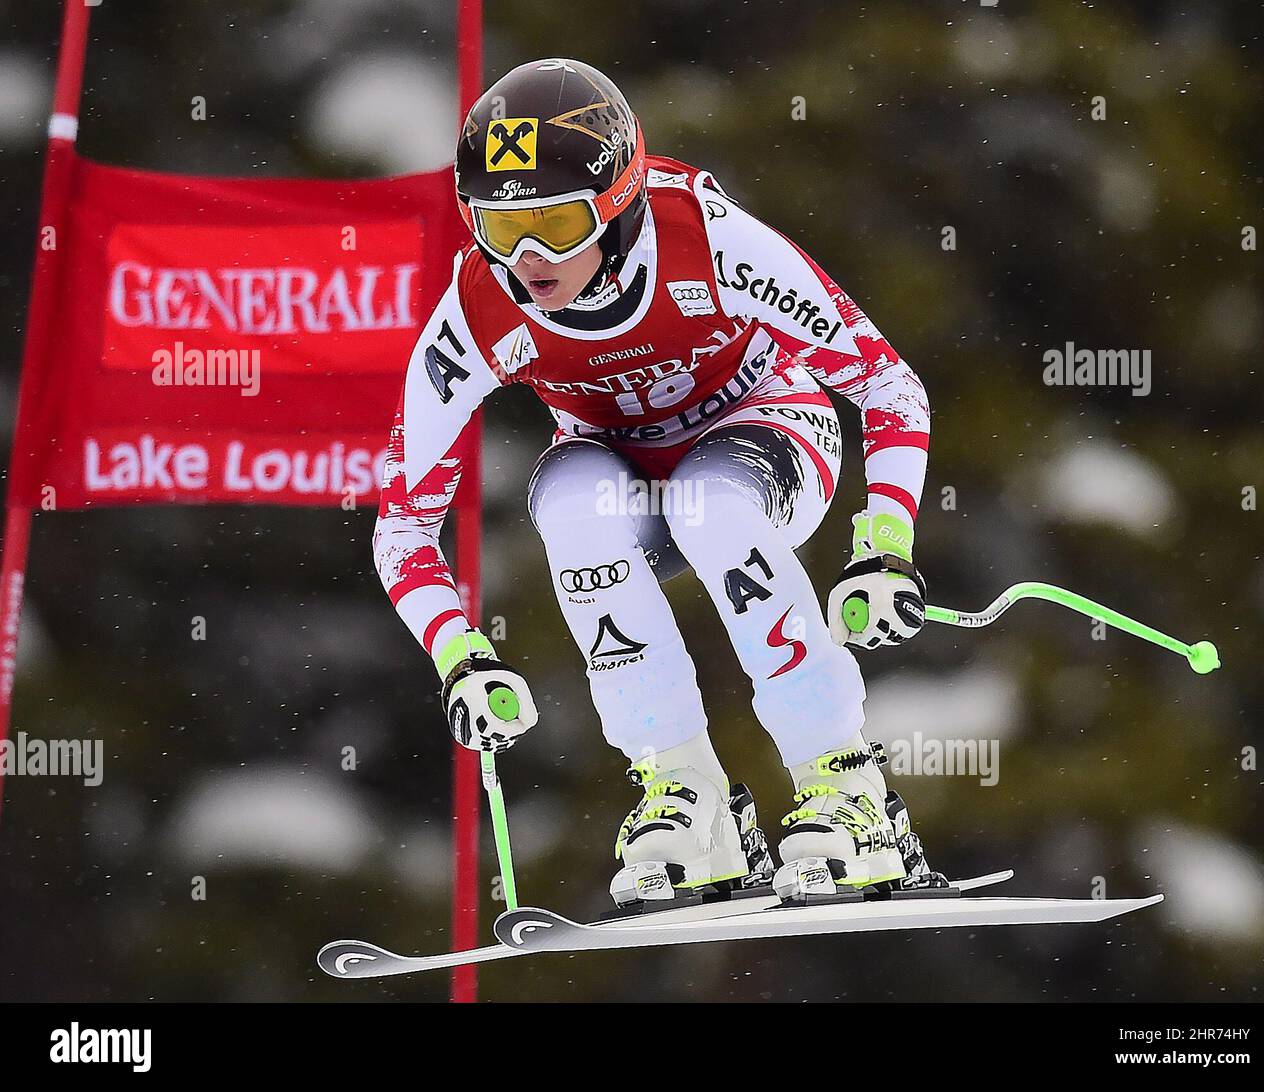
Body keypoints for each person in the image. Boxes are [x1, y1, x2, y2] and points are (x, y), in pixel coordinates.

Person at [374, 57, 942, 906]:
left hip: (768, 431)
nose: (529, 259)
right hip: (623, 477)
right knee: (570, 504)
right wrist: (462, 658)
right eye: (498, 227)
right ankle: (686, 794)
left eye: (559, 224)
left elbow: (888, 389)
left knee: (711, 504)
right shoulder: (478, 311)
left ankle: (845, 785)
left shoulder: (711, 243)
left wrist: (885, 548)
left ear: (618, 202)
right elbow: (404, 521)